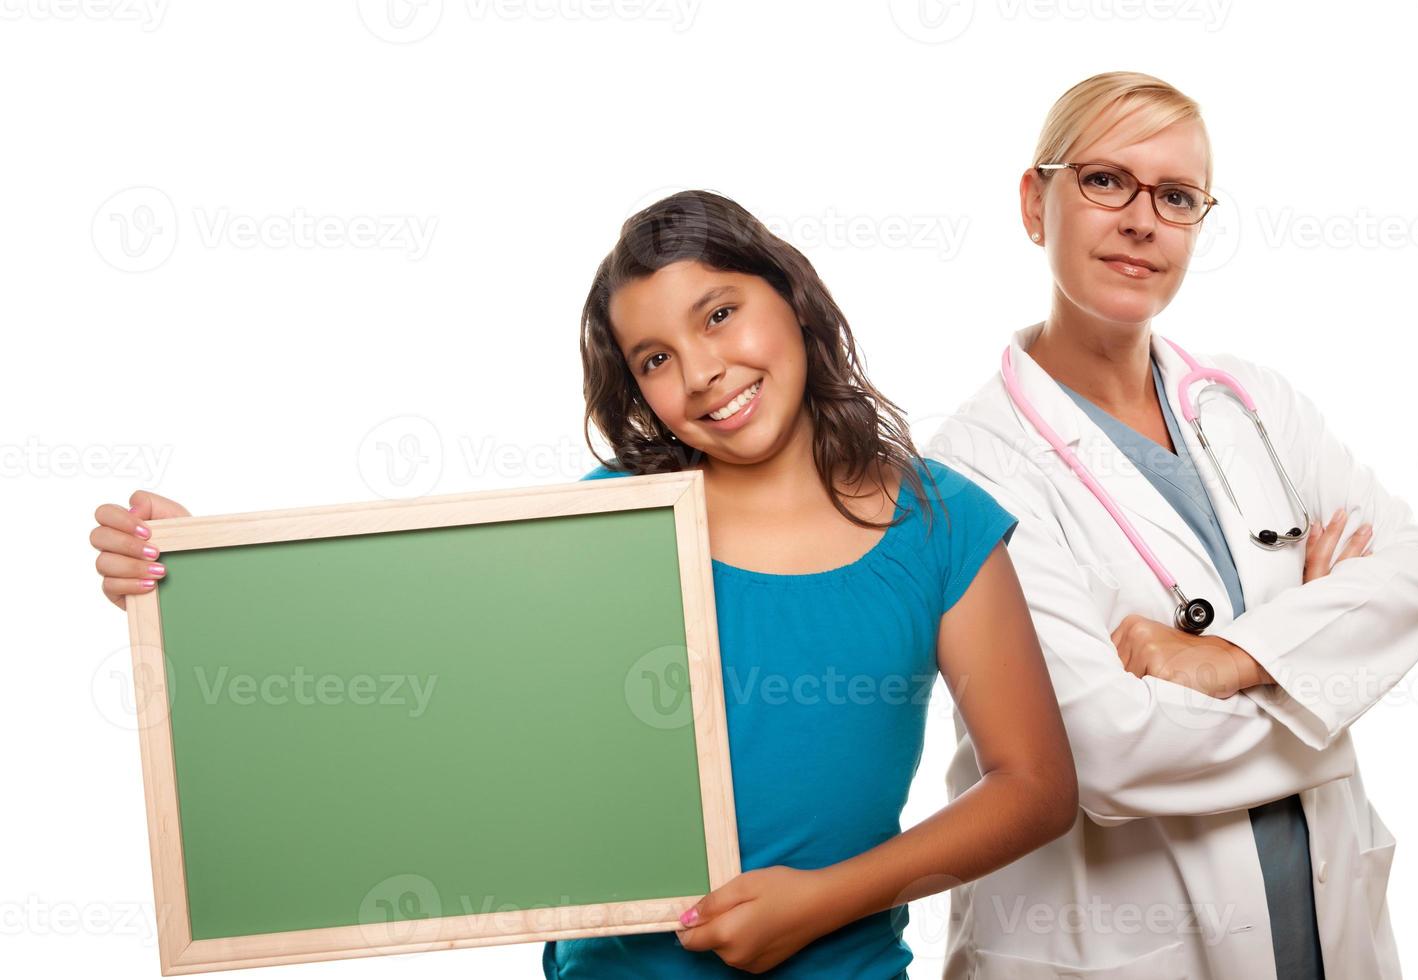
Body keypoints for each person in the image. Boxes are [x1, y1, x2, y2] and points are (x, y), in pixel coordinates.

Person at [88, 189, 1080, 978]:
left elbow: (1035, 786)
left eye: (720, 313)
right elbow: (401, 671)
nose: (700, 370)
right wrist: (200, 584)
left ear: (793, 296)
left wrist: (822, 900)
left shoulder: (939, 520)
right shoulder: (607, 524)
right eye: (656, 357)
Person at [928, 72, 1418, 979]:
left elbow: (1417, 576)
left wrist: (1234, 660)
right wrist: (1328, 681)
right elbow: (1111, 753)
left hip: (1324, 931)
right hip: (1115, 949)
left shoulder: (1253, 405)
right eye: (1105, 181)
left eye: (1175, 196)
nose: (1141, 220)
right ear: (1033, 201)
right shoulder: (971, 469)